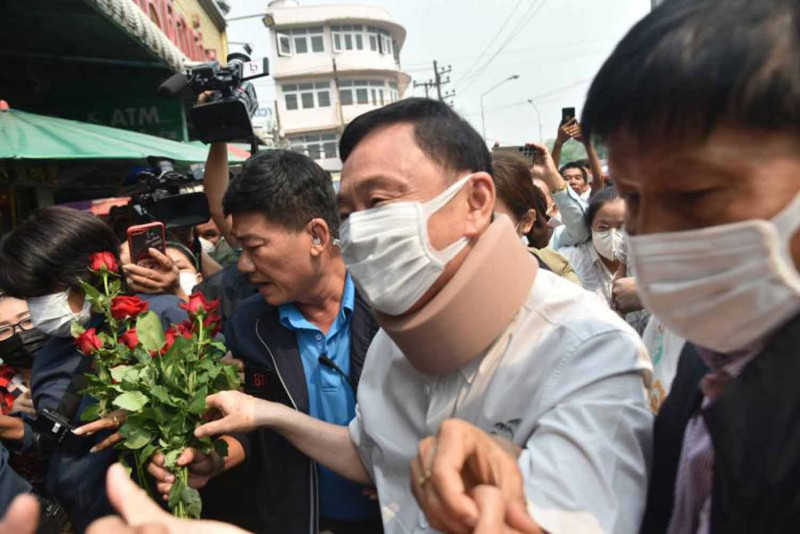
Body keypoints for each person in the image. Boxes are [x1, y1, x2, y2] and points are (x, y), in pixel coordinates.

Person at [179, 98, 653, 534]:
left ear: (476, 202)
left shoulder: (585, 349)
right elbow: (370, 453)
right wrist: (267, 414)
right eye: (350, 211)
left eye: (380, 203)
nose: (360, 231)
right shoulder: (394, 344)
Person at [414, 1, 800, 533]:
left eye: (695, 194)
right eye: (636, 200)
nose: (653, 233)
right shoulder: (708, 368)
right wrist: (531, 494)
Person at [148, 150, 382, 534]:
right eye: (239, 250)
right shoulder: (248, 325)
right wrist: (213, 460)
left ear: (317, 236)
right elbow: (253, 433)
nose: (242, 266)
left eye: (255, 248)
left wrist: (400, 468)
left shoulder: (391, 311)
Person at [0, 207, 187, 532]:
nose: (37, 307)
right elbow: (58, 446)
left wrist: (149, 414)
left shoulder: (158, 318)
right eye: (29, 297)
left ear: (83, 274)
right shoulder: (47, 356)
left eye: (43, 293)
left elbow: (218, 410)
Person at [490, 152, 581, 285]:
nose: (472, 231)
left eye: (490, 221)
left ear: (527, 221)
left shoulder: (557, 282)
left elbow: (579, 226)